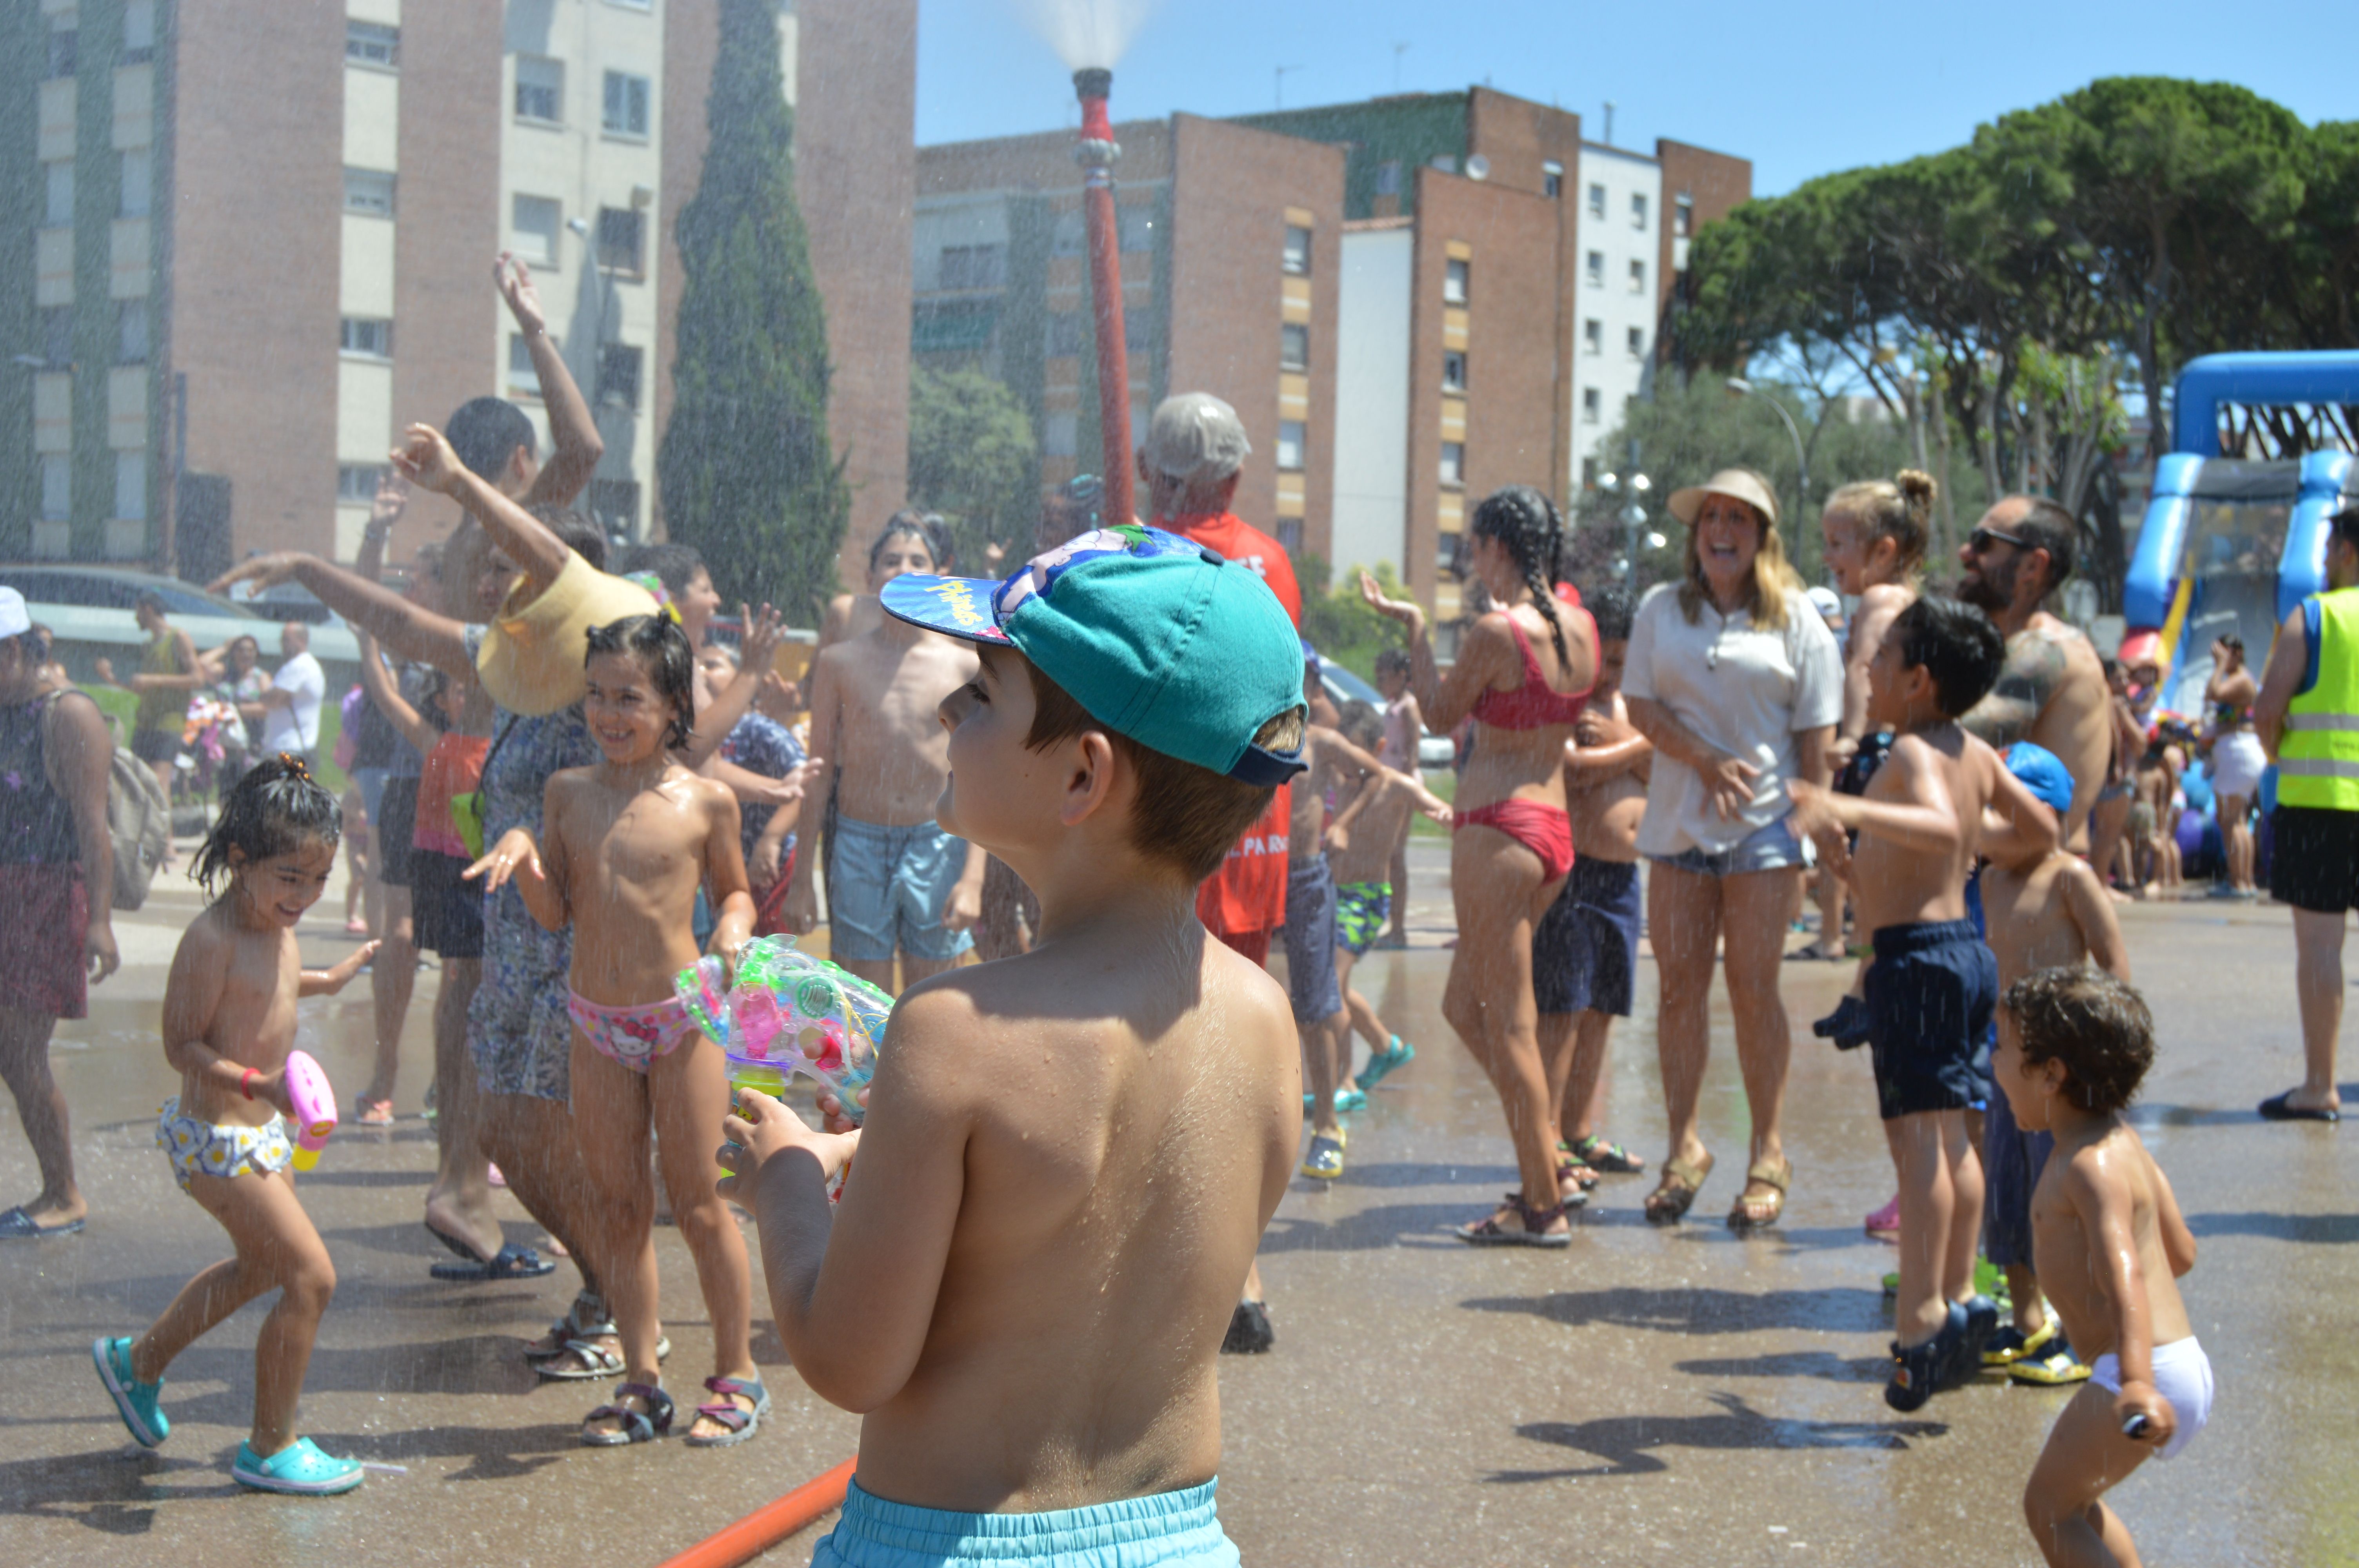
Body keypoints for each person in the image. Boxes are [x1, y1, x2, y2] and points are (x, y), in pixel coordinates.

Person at [718, 523, 1305, 1564]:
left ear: (1084, 776)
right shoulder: (1265, 1019)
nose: (948, 708)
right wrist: (895, 1155)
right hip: (1178, 1542)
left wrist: (788, 1184)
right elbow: (1094, 1210)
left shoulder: (953, 1031)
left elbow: (854, 1362)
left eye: (983, 693)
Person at [471, 614, 766, 1447]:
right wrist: (527, 860)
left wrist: (732, 931)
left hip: (680, 1019)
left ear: (673, 703)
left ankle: (737, 1373)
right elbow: (557, 910)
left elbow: (736, 891)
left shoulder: (706, 798)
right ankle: (641, 1379)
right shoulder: (566, 792)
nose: (608, 712)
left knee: (703, 1204)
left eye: (629, 697)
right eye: (596, 695)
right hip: (596, 1022)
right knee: (617, 1205)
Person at [1787, 595, 2057, 1409]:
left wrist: (1843, 804)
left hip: (1917, 964)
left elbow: (1937, 830)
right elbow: (2040, 828)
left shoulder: (1906, 752)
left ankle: (1919, 1324)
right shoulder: (1974, 749)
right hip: (1961, 957)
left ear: (1915, 679)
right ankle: (1961, 1297)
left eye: (1880, 658)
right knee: (1954, 1138)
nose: (1865, 668)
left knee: (1918, 1148)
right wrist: (1847, 856)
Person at [93, 756, 378, 1494]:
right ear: (241, 860)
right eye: (291, 878)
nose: (306, 897)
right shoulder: (211, 938)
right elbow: (181, 1045)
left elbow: (274, 982)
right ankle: (269, 1446)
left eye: (319, 880)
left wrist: (330, 979)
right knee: (311, 1278)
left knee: (261, 1269)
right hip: (216, 1141)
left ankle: (138, 1364)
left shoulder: (273, 925)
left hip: (262, 1134)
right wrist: (260, 1084)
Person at [1361, 486, 1598, 1246]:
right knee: (1464, 1009)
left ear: (1499, 545)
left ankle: (1541, 1204)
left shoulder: (1501, 630)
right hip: (1554, 828)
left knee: (1514, 1027)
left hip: (1497, 830)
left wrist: (1417, 628)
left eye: (1473, 545)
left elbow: (1436, 712)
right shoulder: (1582, 625)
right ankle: (1548, 1155)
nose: (1471, 560)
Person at [1621, 468, 1842, 1229]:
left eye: (1737, 519)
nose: (1720, 529)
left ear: (1761, 537)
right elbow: (1638, 704)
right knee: (1678, 991)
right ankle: (1684, 1147)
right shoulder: (1660, 609)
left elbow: (1817, 737)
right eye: (1708, 516)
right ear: (1695, 534)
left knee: (1754, 991)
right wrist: (1704, 758)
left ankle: (1767, 1151)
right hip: (1677, 828)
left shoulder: (1797, 621)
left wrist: (1814, 832)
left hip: (1765, 834)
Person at [1995, 968, 2208, 1567]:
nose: (1993, 1063)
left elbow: (2126, 1277)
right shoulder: (2124, 1143)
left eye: (2005, 1049)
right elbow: (2181, 1252)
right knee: (2075, 1501)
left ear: (2052, 1074)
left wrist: (2136, 1379)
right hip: (2173, 1362)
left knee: (2047, 1509)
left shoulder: (2088, 1166)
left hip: (2142, 1374)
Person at [1976, 740, 2130, 1390]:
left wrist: (2104, 1054)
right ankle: (2028, 1318)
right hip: (2007, 1066)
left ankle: (2080, 1333)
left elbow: (2114, 966)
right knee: (2009, 1196)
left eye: (1999, 812)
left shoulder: (2071, 877)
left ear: (2043, 814)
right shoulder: (1988, 881)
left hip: (2063, 1070)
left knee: (2062, 1199)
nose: (1985, 825)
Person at [782, 517, 983, 995]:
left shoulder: (963, 664)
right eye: (891, 560)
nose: (904, 568)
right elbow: (819, 772)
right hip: (858, 844)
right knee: (860, 1009)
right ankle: (873, 1075)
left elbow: (979, 774)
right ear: (870, 578)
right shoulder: (839, 662)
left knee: (933, 1005)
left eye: (918, 561)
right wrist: (800, 881)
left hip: (937, 842)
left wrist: (973, 877)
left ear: (939, 577)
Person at [1140, 394, 1305, 970]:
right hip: (1250, 823)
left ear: (1146, 470)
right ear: (1235, 478)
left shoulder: (1131, 556)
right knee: (1239, 1023)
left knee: (1141, 1021)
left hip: (1153, 826)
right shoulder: (1272, 561)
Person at [0, 599, 118, 1238]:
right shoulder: (4, 707)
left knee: (20, 1054)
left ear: (13, 651)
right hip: (5, 894)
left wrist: (99, 921)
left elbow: (92, 825)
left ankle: (63, 1193)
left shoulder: (68, 714)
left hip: (45, 892)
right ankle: (55, 1185)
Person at [1534, 583, 1650, 1193]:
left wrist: (1630, 746)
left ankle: (1579, 1128)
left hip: (1624, 880)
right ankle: (1548, 1135)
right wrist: (1637, 749)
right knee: (1565, 1011)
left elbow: (1660, 767)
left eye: (1626, 664)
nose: (1614, 674)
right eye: (1609, 660)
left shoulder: (1629, 706)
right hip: (1575, 876)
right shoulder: (1573, 701)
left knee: (1604, 1008)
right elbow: (1574, 771)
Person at [2251, 502, 2359, 1122]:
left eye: (2327, 551)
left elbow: (2268, 712)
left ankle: (2320, 1085)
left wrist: (2278, 754)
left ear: (2346, 551)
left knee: (2321, 949)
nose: (2322, 563)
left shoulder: (2315, 617)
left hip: (2320, 805)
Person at [1801, 470, 1937, 961]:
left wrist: (1851, 736)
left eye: (1837, 544)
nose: (1828, 556)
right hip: (1901, 747)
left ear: (1882, 552)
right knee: (1887, 875)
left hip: (1874, 749)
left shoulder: (1879, 599)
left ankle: (1870, 973)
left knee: (1855, 865)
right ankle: (1876, 963)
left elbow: (1862, 669)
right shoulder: (1910, 599)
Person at [1955, 496, 2112, 849]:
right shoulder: (2016, 646)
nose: (1966, 553)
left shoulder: (2044, 651)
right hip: (2018, 879)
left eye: (1984, 543)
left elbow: (1951, 742)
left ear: (2033, 565)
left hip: (2034, 887)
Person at [1287, 716, 1396, 1182]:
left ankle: (1327, 1126)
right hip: (1250, 870)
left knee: (1316, 1003)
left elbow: (1378, 774)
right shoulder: (1238, 721)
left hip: (1305, 875)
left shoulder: (1320, 740)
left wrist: (1343, 824)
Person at [1323, 702, 1444, 1099]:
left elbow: (1434, 806)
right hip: (1333, 894)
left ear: (1377, 747)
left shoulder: (1394, 785)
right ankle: (1384, 1046)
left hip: (1367, 899)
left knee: (1331, 986)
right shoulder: (1342, 783)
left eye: (1357, 753)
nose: (1349, 763)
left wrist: (1445, 813)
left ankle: (1345, 1083)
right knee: (1333, 987)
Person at [2203, 634, 2264, 898]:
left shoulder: (2242, 680)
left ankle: (2239, 881)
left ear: (2237, 654)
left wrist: (2220, 665)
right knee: (2236, 820)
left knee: (2230, 820)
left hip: (2239, 750)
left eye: (2224, 654)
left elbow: (2213, 693)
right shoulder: (2240, 679)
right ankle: (2244, 880)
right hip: (2239, 750)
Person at [1373, 647, 1423, 947]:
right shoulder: (1394, 704)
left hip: (1401, 787)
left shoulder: (1409, 707)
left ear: (1401, 677)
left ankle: (1399, 928)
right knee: (1389, 857)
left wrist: (1402, 789)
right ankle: (1394, 925)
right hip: (1391, 785)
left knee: (1395, 856)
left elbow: (1412, 754)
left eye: (1383, 678)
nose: (1380, 684)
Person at [257, 622, 325, 769]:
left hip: (288, 747)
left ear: (302, 641)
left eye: (286, 640)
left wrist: (263, 693)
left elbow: (274, 700)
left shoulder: (299, 666)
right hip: (293, 746)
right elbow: (280, 699)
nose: (282, 644)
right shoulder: (305, 665)